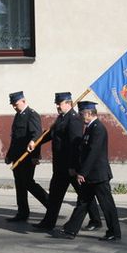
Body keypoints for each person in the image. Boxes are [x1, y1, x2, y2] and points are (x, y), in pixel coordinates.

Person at [52, 101, 121, 241]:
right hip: (91, 175)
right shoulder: (90, 127)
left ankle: (114, 232)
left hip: (98, 175)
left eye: (82, 113)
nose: (80, 116)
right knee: (83, 202)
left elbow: (93, 153)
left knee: (107, 205)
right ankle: (71, 230)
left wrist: (82, 172)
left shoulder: (98, 129)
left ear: (89, 113)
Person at [32, 92, 83, 231]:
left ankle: (96, 220)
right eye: (56, 104)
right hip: (60, 166)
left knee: (84, 195)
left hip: (70, 167)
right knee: (55, 195)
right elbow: (50, 134)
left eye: (59, 104)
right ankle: (48, 223)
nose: (57, 107)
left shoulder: (74, 119)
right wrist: (36, 142)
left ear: (68, 103)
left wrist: (73, 166)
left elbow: (75, 144)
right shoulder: (61, 118)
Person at [4, 91, 49, 222]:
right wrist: (9, 156)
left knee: (29, 183)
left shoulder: (32, 115)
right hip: (17, 157)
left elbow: (37, 136)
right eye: (12, 104)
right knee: (20, 185)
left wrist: (36, 156)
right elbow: (16, 139)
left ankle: (51, 205)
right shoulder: (18, 115)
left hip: (27, 157)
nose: (14, 106)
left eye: (15, 103)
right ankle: (22, 213)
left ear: (23, 101)